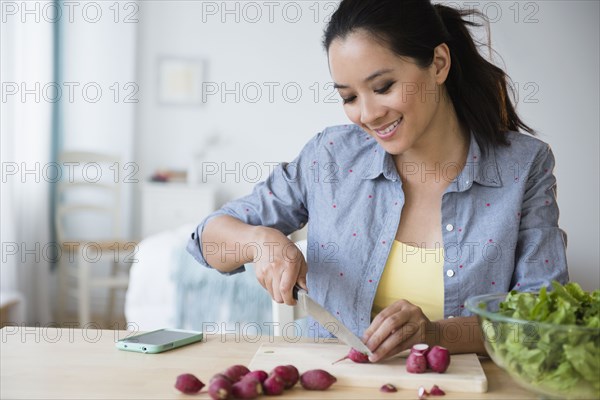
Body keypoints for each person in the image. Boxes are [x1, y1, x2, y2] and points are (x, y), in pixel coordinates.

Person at [187, 0, 568, 362]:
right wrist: (260, 242)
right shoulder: (330, 157)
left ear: (438, 63)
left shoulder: (523, 166)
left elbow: (542, 326)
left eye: (383, 87)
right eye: (350, 96)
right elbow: (205, 241)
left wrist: (435, 334)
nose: (368, 114)